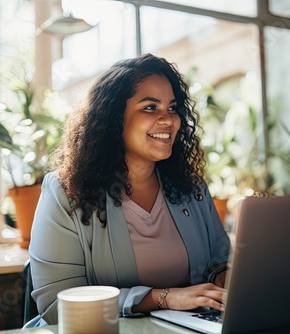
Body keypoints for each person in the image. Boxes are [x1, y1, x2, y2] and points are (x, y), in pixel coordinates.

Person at [28, 53, 231, 326]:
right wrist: (164, 298)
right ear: (114, 118)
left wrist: (227, 280)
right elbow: (56, 304)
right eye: (150, 107)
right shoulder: (66, 192)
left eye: (172, 108)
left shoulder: (190, 187)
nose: (168, 120)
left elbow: (218, 263)